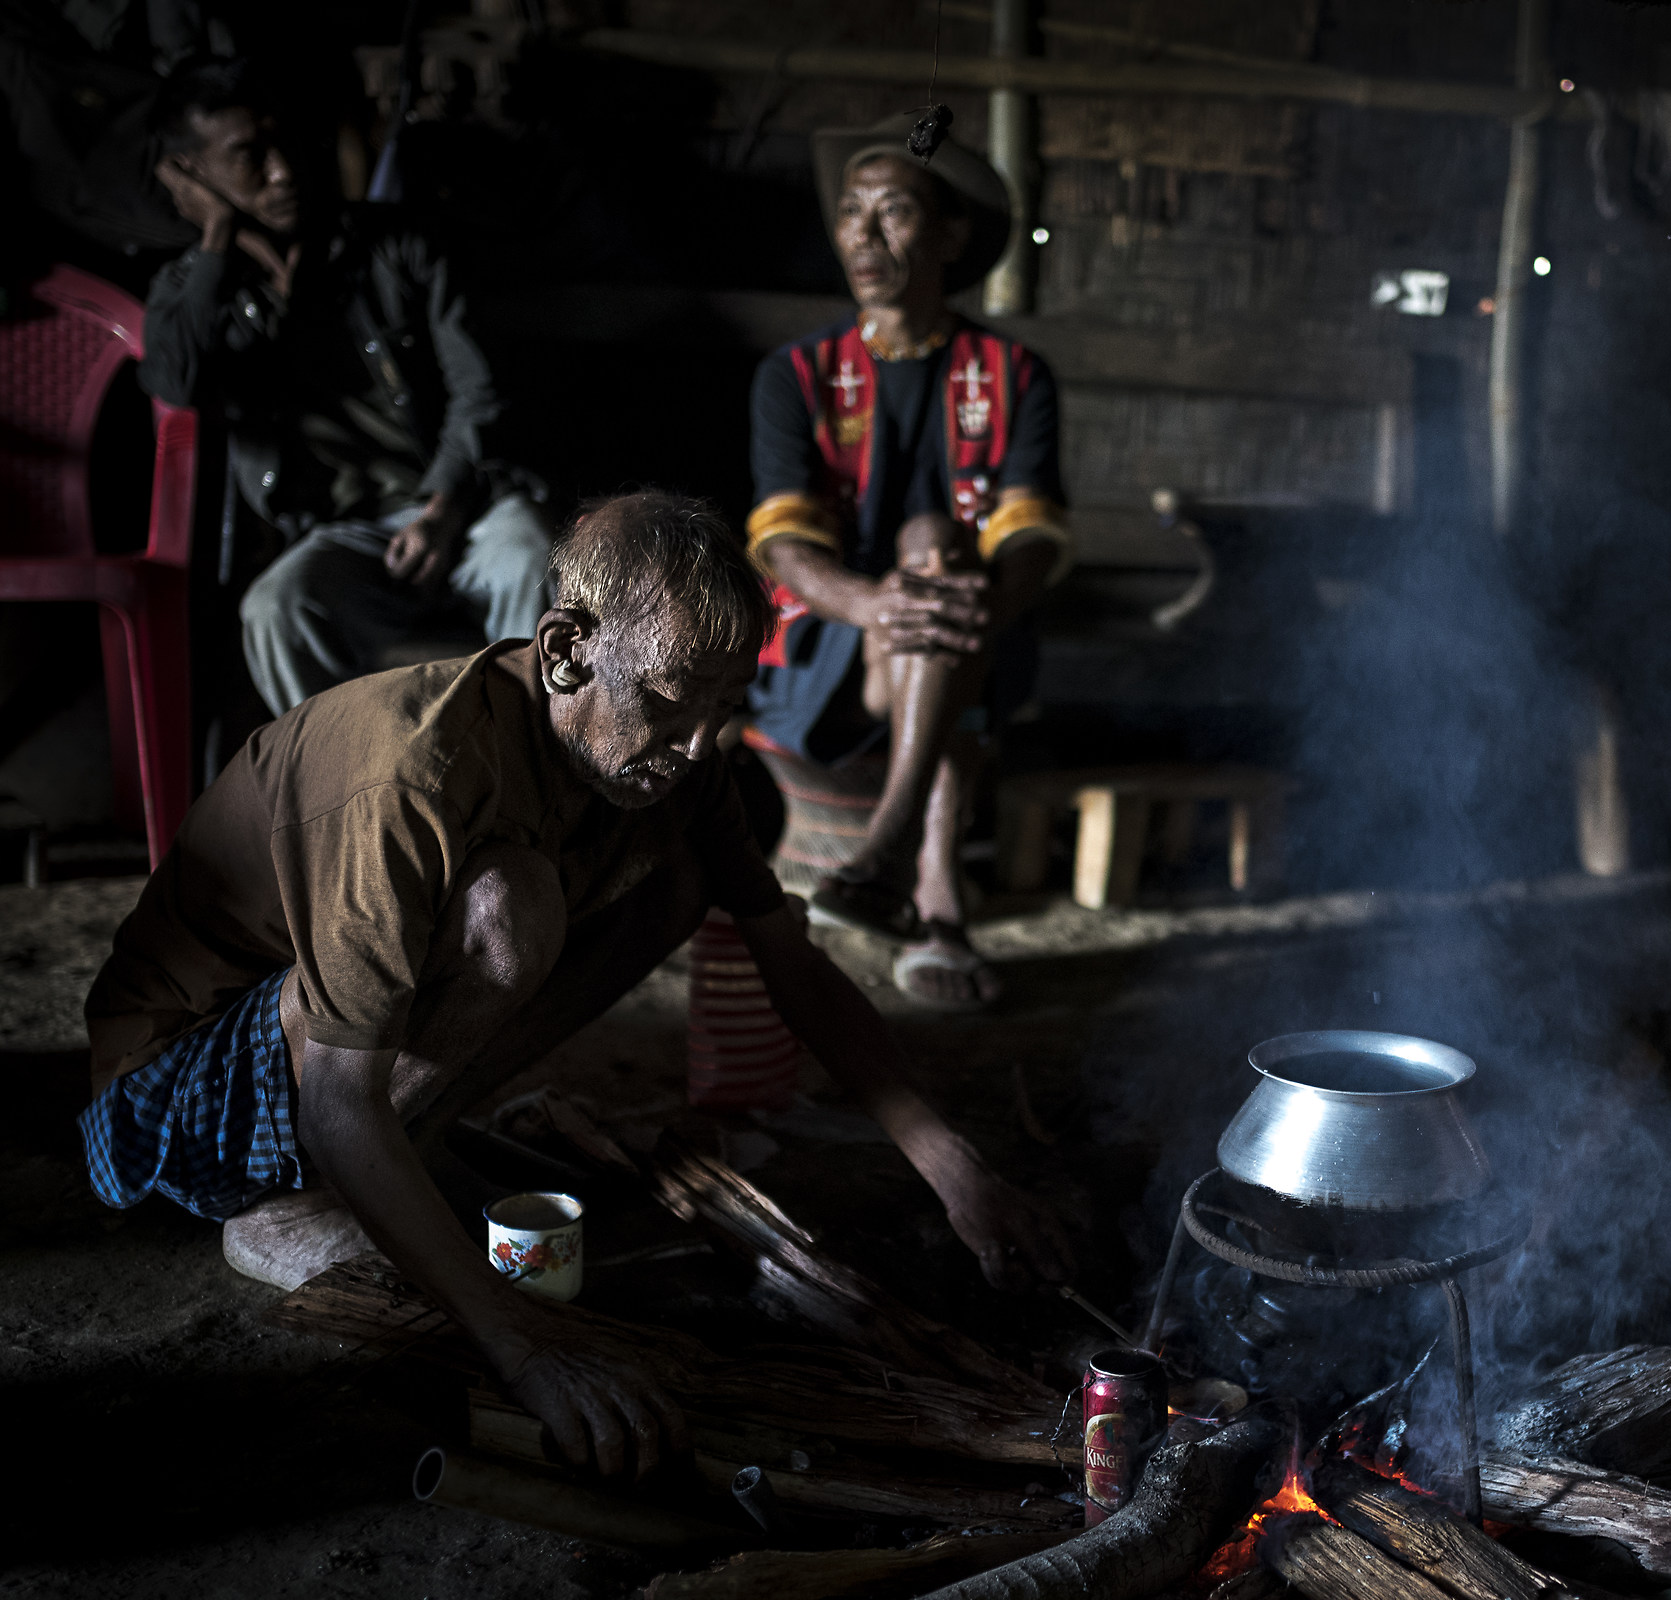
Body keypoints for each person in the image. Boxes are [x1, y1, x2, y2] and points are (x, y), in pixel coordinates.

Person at [78, 491, 1074, 1479]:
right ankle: (297, 1196)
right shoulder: (413, 774)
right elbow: (339, 1099)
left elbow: (794, 969)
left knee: (679, 876)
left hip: (323, 1061)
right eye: (670, 701)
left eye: (725, 711)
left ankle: (408, 1144)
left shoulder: (680, 766)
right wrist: (528, 1347)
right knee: (511, 907)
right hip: (182, 1084)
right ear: (565, 651)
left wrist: (958, 1173)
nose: (697, 747)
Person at [745, 114, 1070, 1011]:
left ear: (952, 233)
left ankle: (885, 855)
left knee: (938, 552)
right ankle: (934, 898)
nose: (863, 234)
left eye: (893, 212)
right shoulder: (797, 376)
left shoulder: (1013, 373)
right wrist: (878, 606)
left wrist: (971, 603)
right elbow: (782, 541)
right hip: (826, 652)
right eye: (851, 214)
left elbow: (1033, 531)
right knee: (931, 577)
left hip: (974, 631)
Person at [139, 56, 551, 717]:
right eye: (249, 157)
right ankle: (342, 803)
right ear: (191, 177)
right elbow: (176, 381)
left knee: (533, 556)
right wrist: (217, 240)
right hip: (346, 535)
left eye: (283, 143)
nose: (282, 170)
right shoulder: (196, 293)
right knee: (274, 608)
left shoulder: (399, 247)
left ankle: (529, 786)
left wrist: (441, 511)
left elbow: (480, 389)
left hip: (462, 507)